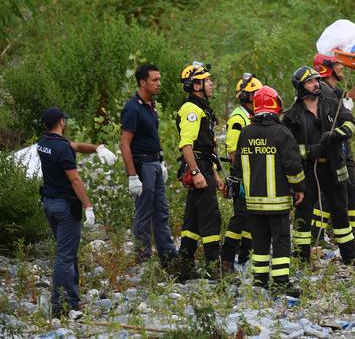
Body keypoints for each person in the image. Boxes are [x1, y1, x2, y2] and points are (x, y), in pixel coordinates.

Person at [282, 66, 355, 266]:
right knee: (304, 213)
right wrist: (311, 151)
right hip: (309, 172)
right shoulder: (292, 116)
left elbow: (351, 124)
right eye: (310, 82)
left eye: (317, 80)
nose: (316, 84)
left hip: (334, 167)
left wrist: (336, 134)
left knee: (340, 210)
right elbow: (291, 149)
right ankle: (301, 257)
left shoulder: (332, 104)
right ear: (300, 87)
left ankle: (350, 255)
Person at [37, 107, 117, 318]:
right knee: (65, 257)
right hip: (65, 207)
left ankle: (72, 301)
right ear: (62, 122)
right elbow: (74, 179)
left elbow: (75, 145)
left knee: (67, 252)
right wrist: (88, 206)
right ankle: (64, 307)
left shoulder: (44, 144)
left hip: (49, 204)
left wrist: (98, 148)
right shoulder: (63, 149)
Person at [232, 86, 305, 296]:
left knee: (260, 241)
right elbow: (293, 167)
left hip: (253, 203)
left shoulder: (245, 132)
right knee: (281, 240)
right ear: (277, 105)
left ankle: (260, 280)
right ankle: (281, 282)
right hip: (277, 202)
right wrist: (299, 188)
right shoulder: (282, 133)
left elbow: (236, 168)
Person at [120, 63, 178, 267]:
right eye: (154, 80)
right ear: (142, 82)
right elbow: (125, 143)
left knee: (161, 212)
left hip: (154, 162)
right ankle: (142, 257)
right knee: (144, 213)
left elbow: (152, 137)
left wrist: (161, 161)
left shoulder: (150, 106)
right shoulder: (132, 108)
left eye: (159, 79)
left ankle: (168, 255)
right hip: (142, 165)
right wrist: (132, 175)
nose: (158, 83)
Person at [313, 54, 355, 247]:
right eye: (339, 64)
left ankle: (351, 233)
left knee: (352, 189)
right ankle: (318, 236)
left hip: (343, 147)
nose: (342, 68)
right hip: (330, 149)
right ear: (327, 68)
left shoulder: (333, 90)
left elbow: (347, 99)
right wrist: (341, 111)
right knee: (325, 193)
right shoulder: (321, 91)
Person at [175, 61, 225, 280]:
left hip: (204, 166)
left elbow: (206, 149)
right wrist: (196, 173)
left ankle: (182, 268)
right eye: (206, 80)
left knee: (193, 220)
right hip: (197, 167)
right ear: (196, 86)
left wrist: (214, 174)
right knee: (211, 217)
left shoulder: (202, 108)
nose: (211, 83)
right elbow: (187, 145)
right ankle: (214, 269)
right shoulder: (191, 110)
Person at [220, 73, 263, 274]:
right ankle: (227, 258)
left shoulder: (252, 116)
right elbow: (232, 151)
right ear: (247, 97)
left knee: (251, 217)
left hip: (252, 174)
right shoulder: (238, 118)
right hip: (242, 175)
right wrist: (243, 176)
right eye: (257, 94)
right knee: (241, 217)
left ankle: (246, 255)